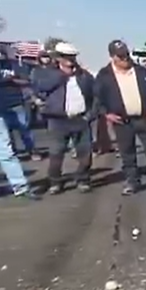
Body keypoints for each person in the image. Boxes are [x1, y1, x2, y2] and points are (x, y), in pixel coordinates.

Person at [94, 40, 146, 196]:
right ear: (112, 57)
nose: (125, 59)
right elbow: (97, 98)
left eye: (126, 55)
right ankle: (132, 182)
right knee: (127, 154)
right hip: (122, 122)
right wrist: (107, 113)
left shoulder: (141, 71)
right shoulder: (104, 75)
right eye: (121, 56)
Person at [32, 42, 96, 194]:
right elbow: (40, 88)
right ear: (58, 58)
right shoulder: (48, 73)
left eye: (72, 56)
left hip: (80, 119)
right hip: (57, 120)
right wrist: (62, 75)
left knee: (85, 153)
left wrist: (90, 115)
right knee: (56, 153)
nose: (70, 60)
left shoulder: (84, 75)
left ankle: (82, 179)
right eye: (66, 57)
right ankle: (55, 182)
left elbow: (96, 96)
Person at [0, 46, 39, 201]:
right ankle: (20, 186)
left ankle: (20, 186)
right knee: (6, 152)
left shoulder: (5, 67)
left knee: (6, 152)